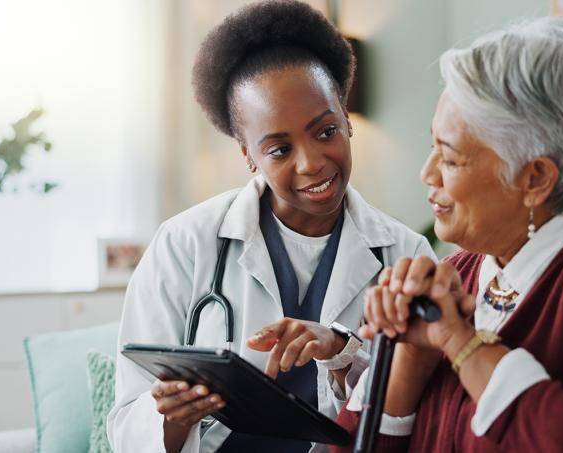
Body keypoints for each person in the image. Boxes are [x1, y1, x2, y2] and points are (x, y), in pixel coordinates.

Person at [332, 16, 563, 452]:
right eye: (432, 146)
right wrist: (414, 353)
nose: (427, 173)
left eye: (451, 158)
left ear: (535, 178)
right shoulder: (458, 271)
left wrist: (458, 341)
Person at [106, 1, 434, 452]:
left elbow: (424, 407)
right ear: (248, 154)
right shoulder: (184, 244)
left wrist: (343, 351)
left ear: (344, 116)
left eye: (325, 131)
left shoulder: (406, 254)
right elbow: (127, 421)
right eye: (279, 150)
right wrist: (170, 416)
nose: (312, 164)